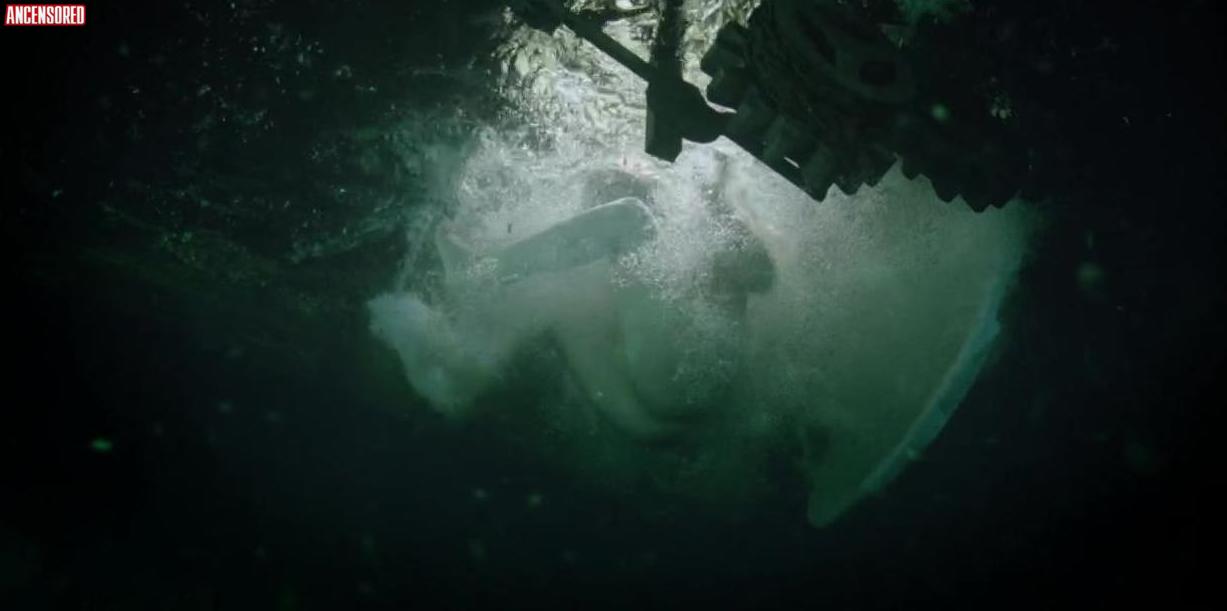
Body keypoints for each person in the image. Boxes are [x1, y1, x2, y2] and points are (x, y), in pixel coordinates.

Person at [369, 168, 775, 441]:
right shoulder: (618, 290)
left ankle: (476, 280)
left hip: (667, 404)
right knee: (610, 248)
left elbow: (762, 274)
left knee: (627, 224)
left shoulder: (664, 258)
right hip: (681, 404)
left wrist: (716, 209)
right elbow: (653, 426)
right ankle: (472, 292)